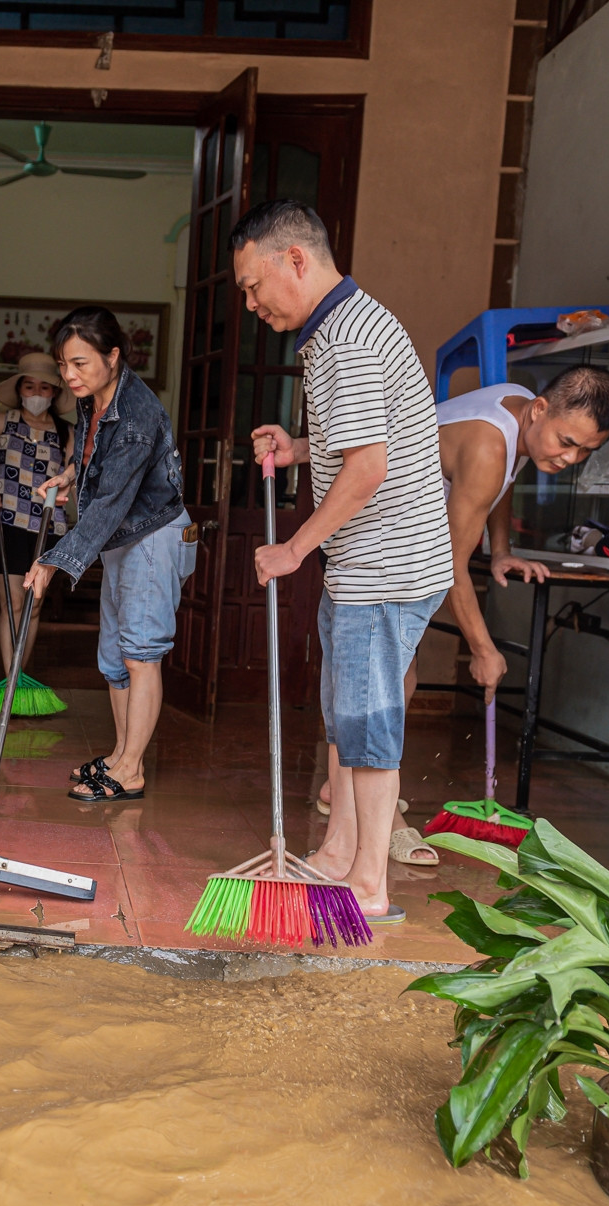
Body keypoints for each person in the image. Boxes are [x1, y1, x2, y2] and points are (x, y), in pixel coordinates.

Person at [313, 366, 609, 866]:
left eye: (585, 451)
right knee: (379, 684)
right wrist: (483, 649)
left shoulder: (521, 407)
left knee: (386, 678)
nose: (570, 458)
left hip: (398, 540)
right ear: (542, 411)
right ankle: (369, 826)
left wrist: (500, 549)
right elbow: (451, 566)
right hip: (377, 540)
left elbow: (495, 486)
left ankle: (345, 792)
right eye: (568, 443)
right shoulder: (488, 445)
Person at [235, 199, 449, 924]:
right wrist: (298, 448)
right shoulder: (343, 327)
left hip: (382, 568)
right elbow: (361, 439)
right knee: (346, 716)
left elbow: (368, 466)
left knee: (367, 723)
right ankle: (335, 856)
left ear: (294, 259)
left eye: (252, 284)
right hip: (375, 563)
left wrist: (294, 547)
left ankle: (366, 885)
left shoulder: (346, 342)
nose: (250, 302)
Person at [23, 308, 195, 803]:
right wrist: (72, 475)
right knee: (116, 659)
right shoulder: (94, 398)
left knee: (141, 655)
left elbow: (111, 503)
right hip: (123, 538)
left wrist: (55, 560)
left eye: (79, 363)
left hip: (152, 538)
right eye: (63, 365)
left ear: (113, 356)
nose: (68, 376)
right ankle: (121, 755)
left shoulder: (138, 415)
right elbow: (97, 455)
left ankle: (131, 770)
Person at [0, 352, 75, 673]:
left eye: (44, 388)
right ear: (19, 389)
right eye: (29, 387)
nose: (35, 394)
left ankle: (18, 675)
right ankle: (10, 680)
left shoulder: (67, 433)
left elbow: (76, 474)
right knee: (13, 603)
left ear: (55, 393)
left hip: (48, 528)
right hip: (7, 524)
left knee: (33, 606)